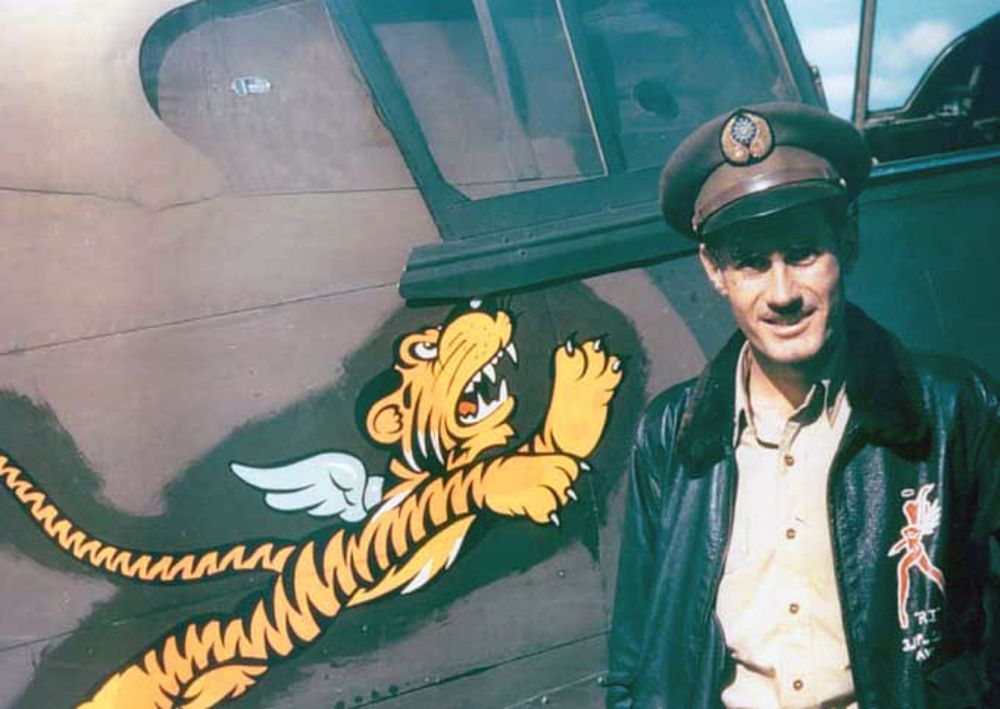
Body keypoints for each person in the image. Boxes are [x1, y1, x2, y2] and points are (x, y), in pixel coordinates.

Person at [606, 102, 999, 708]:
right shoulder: (670, 435)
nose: (782, 292)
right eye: (751, 263)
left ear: (848, 240)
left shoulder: (952, 410)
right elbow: (634, 661)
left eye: (802, 252)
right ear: (714, 270)